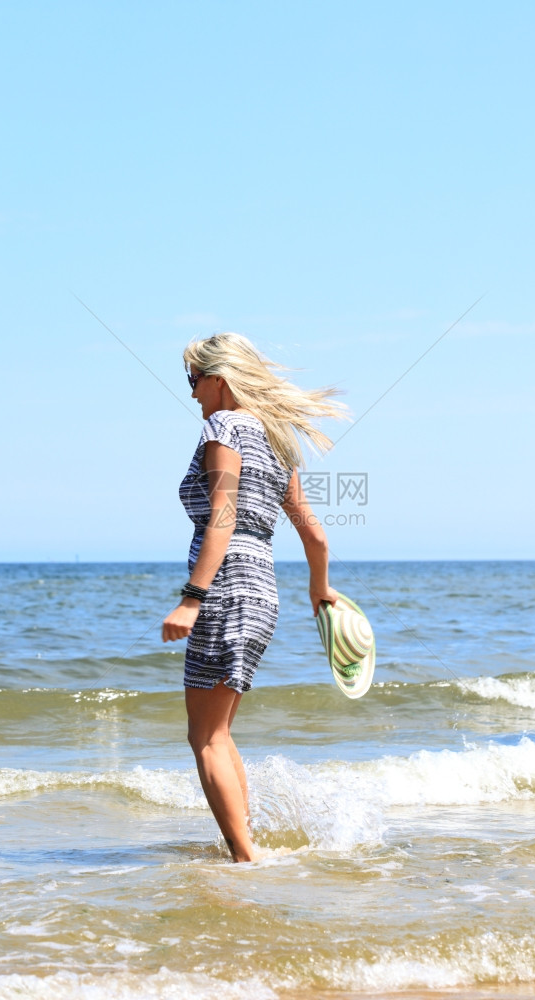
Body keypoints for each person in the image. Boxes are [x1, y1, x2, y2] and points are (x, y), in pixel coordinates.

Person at [162, 333, 348, 862]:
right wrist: (320, 589)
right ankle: (248, 848)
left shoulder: (224, 428)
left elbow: (222, 516)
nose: (192, 394)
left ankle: (246, 860)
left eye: (194, 380)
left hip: (225, 588)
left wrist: (192, 598)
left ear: (218, 379)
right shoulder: (276, 438)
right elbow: (314, 534)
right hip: (262, 589)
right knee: (220, 731)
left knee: (205, 738)